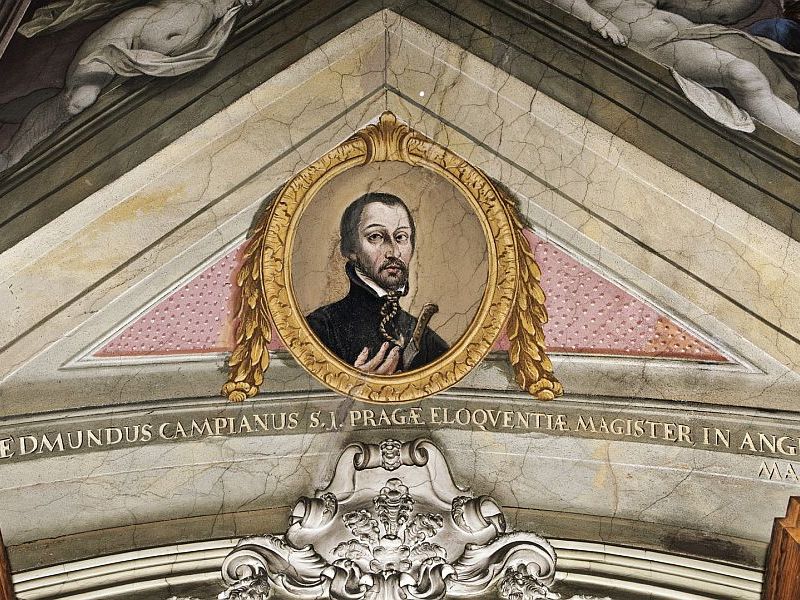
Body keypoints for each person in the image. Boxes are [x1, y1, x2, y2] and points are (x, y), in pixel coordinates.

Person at [0, 0, 259, 172]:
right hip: (121, 39)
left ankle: (19, 111)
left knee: (75, 99)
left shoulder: (227, 16)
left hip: (141, 59)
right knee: (78, 99)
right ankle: (10, 156)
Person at [547, 0, 800, 142]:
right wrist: (595, 19)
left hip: (687, 33)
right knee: (743, 75)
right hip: (650, 44)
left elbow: (718, 11)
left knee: (762, 72)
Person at [306, 193, 449, 375]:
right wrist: (351, 383)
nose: (394, 252)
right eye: (375, 236)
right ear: (350, 249)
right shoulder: (320, 327)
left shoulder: (425, 338)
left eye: (401, 237)